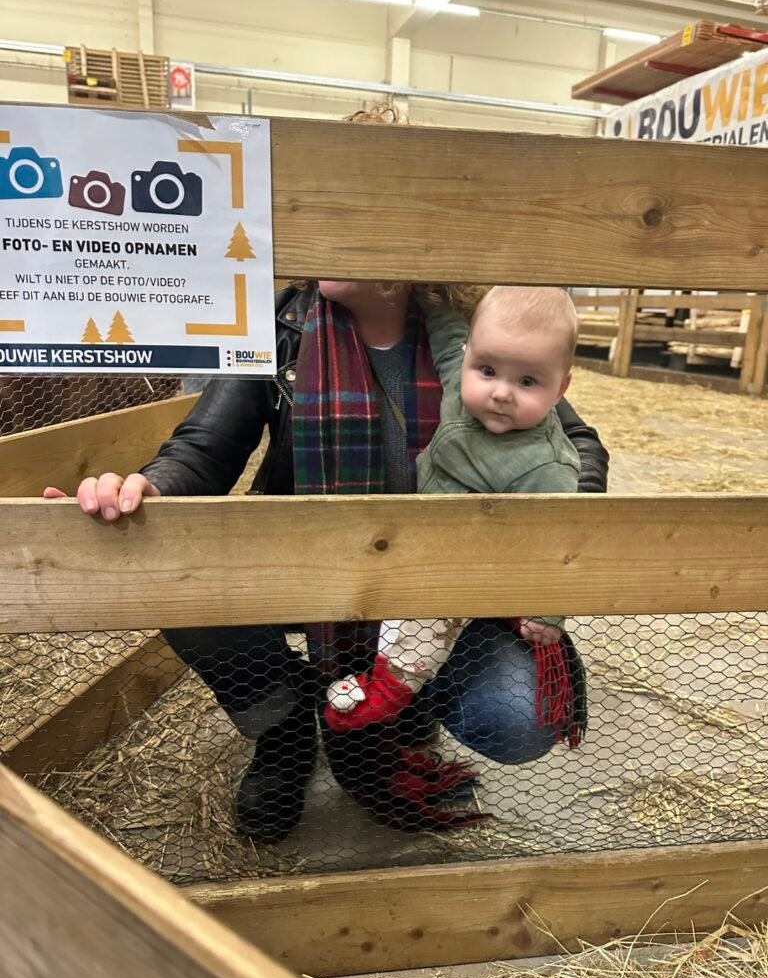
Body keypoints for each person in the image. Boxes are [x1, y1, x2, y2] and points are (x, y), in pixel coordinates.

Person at [45, 275, 606, 840]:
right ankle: (284, 726)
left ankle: (404, 702)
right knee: (177, 579)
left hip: (441, 584)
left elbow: (576, 443)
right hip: (312, 567)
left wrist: (533, 527)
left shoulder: (473, 330)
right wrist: (150, 486)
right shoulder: (280, 325)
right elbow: (204, 448)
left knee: (517, 718)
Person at [324, 285, 580, 733]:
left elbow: (557, 544)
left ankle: (394, 684)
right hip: (423, 538)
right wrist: (432, 293)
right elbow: (447, 337)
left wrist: (548, 613)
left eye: (527, 382)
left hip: (471, 562)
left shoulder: (546, 465)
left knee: (428, 616)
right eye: (488, 370)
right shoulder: (461, 389)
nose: (501, 392)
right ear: (468, 359)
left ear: (561, 388)